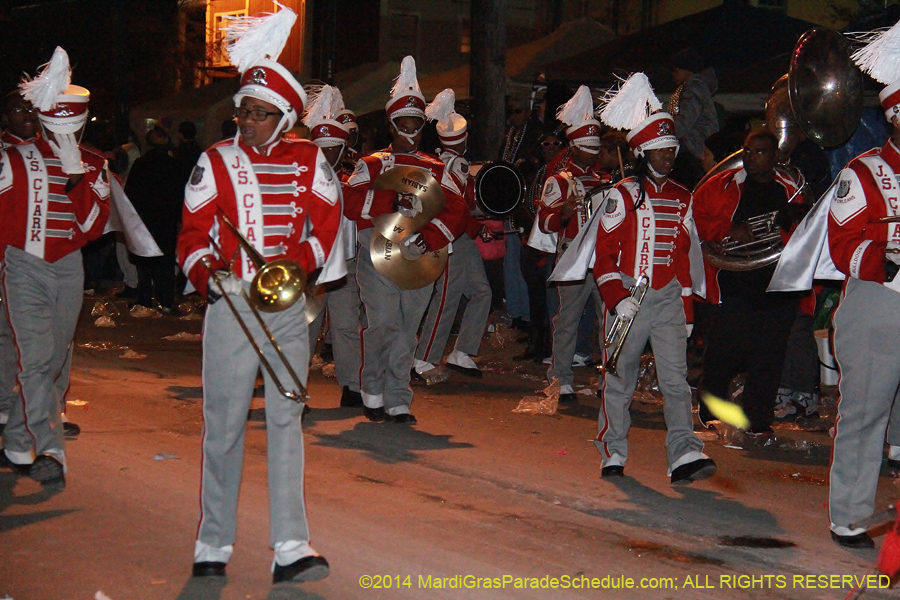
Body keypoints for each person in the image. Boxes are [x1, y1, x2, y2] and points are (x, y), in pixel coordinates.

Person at [176, 5, 340, 582]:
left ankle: (290, 545)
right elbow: (192, 236)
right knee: (222, 423)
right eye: (242, 111)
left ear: (285, 118)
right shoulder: (214, 161)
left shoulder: (311, 162)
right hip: (232, 306)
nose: (245, 121)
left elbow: (325, 231)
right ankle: (213, 542)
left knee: (286, 420)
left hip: (286, 306)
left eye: (258, 114)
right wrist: (209, 277)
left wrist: (292, 271)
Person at [593, 73, 714, 483]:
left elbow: (683, 257)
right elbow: (604, 255)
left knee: (676, 381)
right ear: (643, 151)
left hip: (666, 301)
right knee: (619, 376)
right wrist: (615, 297)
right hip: (629, 298)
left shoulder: (684, 196)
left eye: (671, 150)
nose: (667, 157)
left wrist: (686, 308)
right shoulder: (622, 195)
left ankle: (683, 452)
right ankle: (613, 449)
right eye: (660, 150)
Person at [0, 48, 111, 485]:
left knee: (52, 358)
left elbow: (91, 228)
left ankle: (14, 437)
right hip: (22, 264)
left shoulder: (94, 163)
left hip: (68, 267)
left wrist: (77, 179)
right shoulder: (8, 161)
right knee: (36, 357)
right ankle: (48, 450)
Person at [343, 56, 467, 424]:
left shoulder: (437, 166)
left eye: (416, 125)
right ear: (391, 124)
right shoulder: (372, 163)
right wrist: (388, 201)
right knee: (383, 323)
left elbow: (457, 210)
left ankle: (398, 396)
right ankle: (372, 388)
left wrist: (428, 239)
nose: (409, 132)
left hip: (420, 257)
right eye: (403, 125)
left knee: (408, 329)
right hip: (377, 254)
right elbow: (350, 202)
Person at [824, 28, 900, 548]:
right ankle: (848, 514)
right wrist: (887, 261)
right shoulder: (865, 171)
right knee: (866, 412)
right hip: (880, 304)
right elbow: (841, 242)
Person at [693, 131, 808, 435]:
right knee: (722, 355)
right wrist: (729, 229)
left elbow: (805, 231)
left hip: (778, 286)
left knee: (768, 358)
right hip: (732, 285)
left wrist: (795, 221)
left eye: (759, 152)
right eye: (747, 150)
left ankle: (757, 420)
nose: (751, 157)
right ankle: (711, 415)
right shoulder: (721, 184)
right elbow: (694, 220)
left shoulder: (791, 189)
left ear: (775, 157)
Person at [413, 88, 492, 380]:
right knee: (446, 297)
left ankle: (462, 352)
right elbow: (455, 208)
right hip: (452, 237)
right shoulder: (456, 165)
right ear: (465, 138)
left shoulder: (438, 160)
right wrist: (476, 226)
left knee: (482, 292)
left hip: (460, 235)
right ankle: (423, 358)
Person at [537, 86, 606, 403]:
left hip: (603, 258)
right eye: (587, 146)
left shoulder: (608, 180)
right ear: (575, 148)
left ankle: (610, 378)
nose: (593, 152)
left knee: (610, 320)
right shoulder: (559, 181)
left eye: (596, 146)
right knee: (567, 319)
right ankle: (561, 379)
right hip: (574, 255)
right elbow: (545, 223)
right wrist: (564, 213)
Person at [303, 85, 364, 408]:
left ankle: (352, 385)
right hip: (311, 266)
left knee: (346, 327)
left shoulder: (351, 178)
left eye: (333, 148)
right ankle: (294, 388)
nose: (328, 154)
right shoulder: (301, 182)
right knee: (305, 328)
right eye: (322, 148)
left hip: (343, 264)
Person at [125, 126, 187, 312]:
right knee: (165, 260)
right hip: (166, 219)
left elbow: (130, 195)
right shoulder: (175, 165)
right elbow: (182, 194)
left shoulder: (141, 164)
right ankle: (166, 299)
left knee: (144, 259)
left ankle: (144, 298)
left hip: (144, 218)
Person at [667, 48, 719, 189]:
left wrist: (664, 137)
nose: (673, 75)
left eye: (676, 70)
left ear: (686, 70)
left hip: (693, 148)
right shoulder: (697, 86)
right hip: (698, 146)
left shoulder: (694, 87)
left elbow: (684, 120)